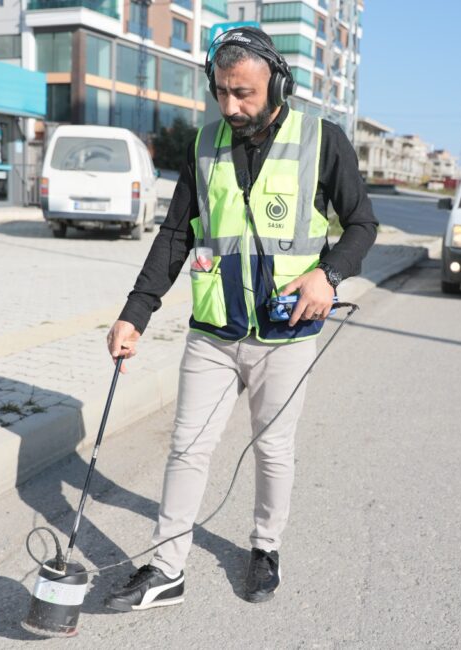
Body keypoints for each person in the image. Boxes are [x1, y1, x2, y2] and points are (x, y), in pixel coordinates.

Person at [103, 27, 377, 610]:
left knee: (273, 448)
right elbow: (177, 233)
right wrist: (136, 313)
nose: (231, 107)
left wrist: (328, 276)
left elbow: (362, 225)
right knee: (187, 448)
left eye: (244, 94)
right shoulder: (204, 145)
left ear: (277, 84)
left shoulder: (321, 140)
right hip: (213, 331)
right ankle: (167, 567)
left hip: (287, 333)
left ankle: (265, 548)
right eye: (221, 93)